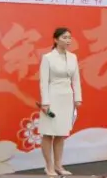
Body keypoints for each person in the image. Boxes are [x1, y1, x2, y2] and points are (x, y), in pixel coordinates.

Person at [39, 27, 81, 177]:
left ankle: (58, 165)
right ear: (56, 40)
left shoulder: (73, 57)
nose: (68, 40)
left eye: (69, 37)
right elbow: (43, 82)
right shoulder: (48, 58)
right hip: (52, 97)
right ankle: (49, 166)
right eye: (64, 37)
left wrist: (77, 98)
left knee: (61, 133)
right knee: (48, 133)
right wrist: (45, 102)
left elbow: (76, 79)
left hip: (67, 98)